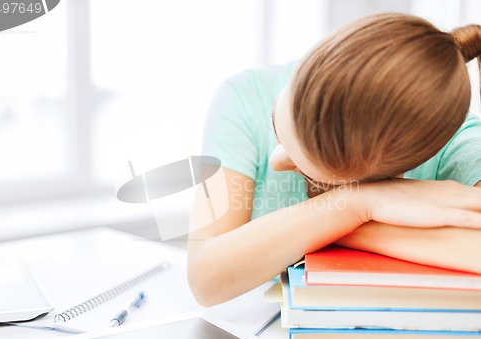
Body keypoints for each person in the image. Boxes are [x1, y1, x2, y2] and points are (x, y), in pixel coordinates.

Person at [187, 13, 481, 307]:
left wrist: (345, 219)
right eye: (276, 124)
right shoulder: (245, 96)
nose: (277, 161)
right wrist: (359, 204)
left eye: (310, 172)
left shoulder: (458, 144)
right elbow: (205, 279)